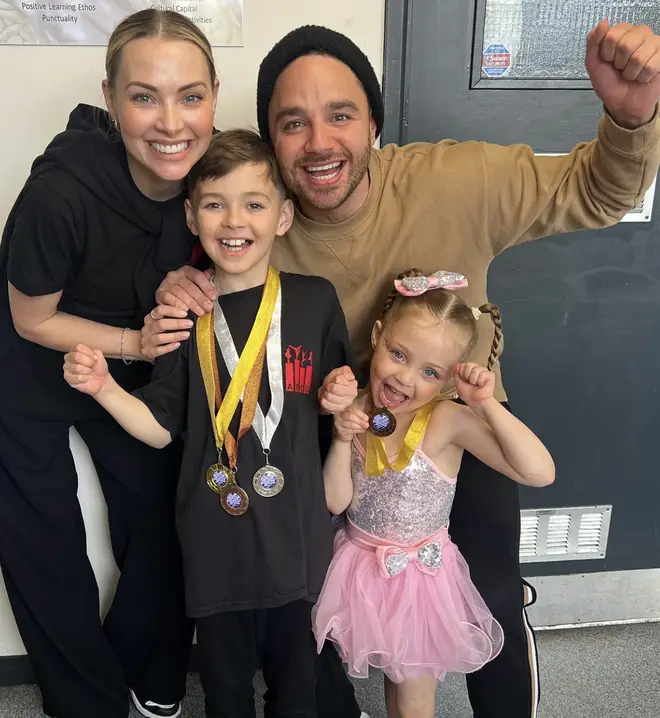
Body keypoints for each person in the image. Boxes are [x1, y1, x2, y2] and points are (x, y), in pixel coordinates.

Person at [142, 20, 660, 718]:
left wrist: (632, 118)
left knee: (494, 595)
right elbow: (216, 275)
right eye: (293, 123)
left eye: (341, 115)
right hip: (330, 439)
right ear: (271, 143)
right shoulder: (268, 222)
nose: (320, 141)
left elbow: (598, 193)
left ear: (376, 124)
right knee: (310, 604)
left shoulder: (459, 180)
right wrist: (184, 283)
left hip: (447, 432)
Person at [63, 129, 359, 718]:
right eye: (215, 204)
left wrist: (338, 395)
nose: (235, 220)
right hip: (213, 542)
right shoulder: (182, 314)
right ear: (192, 217)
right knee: (225, 694)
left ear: (283, 217)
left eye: (254, 203)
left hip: (296, 543)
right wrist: (104, 388)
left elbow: (337, 401)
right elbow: (158, 427)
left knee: (297, 690)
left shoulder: (315, 299)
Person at [0, 9, 220, 718]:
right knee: (42, 540)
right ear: (109, 99)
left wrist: (196, 279)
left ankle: (140, 670)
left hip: (127, 358)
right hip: (32, 356)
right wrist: (131, 344)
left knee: (169, 515)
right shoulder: (57, 197)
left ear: (215, 94)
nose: (171, 122)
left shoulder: (209, 179)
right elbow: (31, 318)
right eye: (143, 96)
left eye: (190, 96)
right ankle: (86, 703)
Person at [313, 268, 555, 718]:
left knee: (413, 702)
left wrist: (483, 404)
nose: (405, 378)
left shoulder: (446, 421)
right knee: (392, 680)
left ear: (446, 381)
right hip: (359, 572)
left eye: (429, 371)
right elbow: (335, 502)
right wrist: (341, 438)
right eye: (398, 353)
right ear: (378, 336)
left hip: (417, 585)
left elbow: (540, 472)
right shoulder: (358, 406)